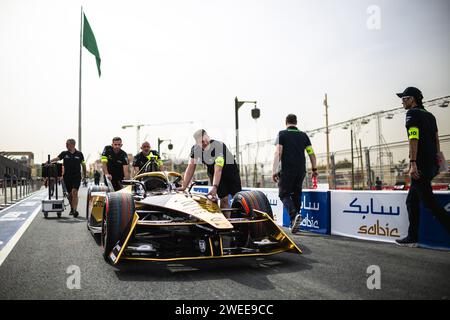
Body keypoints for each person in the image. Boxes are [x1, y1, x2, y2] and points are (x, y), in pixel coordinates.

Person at [395, 87, 450, 246]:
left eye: (404, 98)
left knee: (429, 203)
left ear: (412, 99)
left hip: (420, 165)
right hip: (432, 163)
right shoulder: (430, 115)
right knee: (411, 201)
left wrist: (413, 163)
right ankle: (413, 236)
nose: (402, 101)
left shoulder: (412, 114)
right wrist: (439, 162)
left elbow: (414, 138)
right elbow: (436, 139)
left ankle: (414, 236)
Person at [272, 114, 318, 234]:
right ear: (296, 122)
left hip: (287, 170)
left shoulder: (281, 134)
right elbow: (311, 153)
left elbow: (278, 152)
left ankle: (294, 215)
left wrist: (274, 170)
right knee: (297, 194)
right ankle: (294, 223)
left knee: (283, 194)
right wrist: (314, 169)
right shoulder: (304, 136)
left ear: (286, 122)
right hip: (301, 170)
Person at [177, 129, 242, 209]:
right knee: (224, 199)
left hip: (230, 171)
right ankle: (225, 219)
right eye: (201, 142)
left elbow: (218, 169)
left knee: (236, 197)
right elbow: (191, 167)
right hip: (213, 171)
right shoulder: (195, 149)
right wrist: (184, 186)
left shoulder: (219, 146)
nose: (204, 143)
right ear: (197, 143)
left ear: (208, 137)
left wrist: (215, 187)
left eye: (205, 140)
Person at [50, 139, 86, 217]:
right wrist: (49, 161)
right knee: (69, 195)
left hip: (76, 176)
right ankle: (72, 208)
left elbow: (83, 165)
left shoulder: (80, 154)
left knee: (74, 192)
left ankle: (75, 210)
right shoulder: (64, 153)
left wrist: (85, 176)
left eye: (67, 144)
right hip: (67, 177)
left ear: (73, 145)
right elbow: (57, 158)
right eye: (66, 144)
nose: (66, 145)